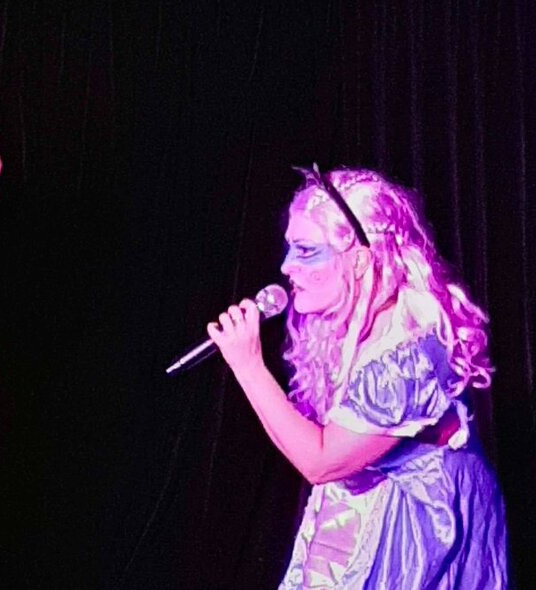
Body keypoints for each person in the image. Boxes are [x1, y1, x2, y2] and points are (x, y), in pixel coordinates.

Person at [207, 167, 507, 588]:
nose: (286, 266)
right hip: (368, 498)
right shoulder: (348, 319)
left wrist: (248, 365)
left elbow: (320, 460)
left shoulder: (410, 353)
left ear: (362, 260)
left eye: (306, 250)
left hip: (425, 518)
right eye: (290, 248)